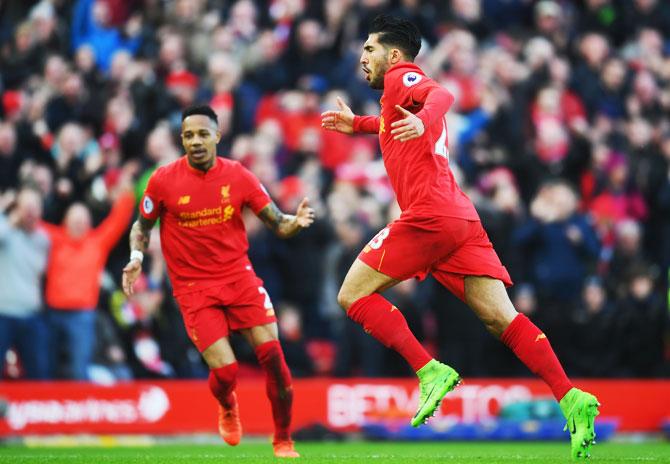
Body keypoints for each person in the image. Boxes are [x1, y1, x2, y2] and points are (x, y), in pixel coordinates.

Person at [321, 15, 599, 460]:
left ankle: (428, 370)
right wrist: (357, 124)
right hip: (460, 220)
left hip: (428, 217)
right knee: (501, 319)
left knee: (351, 296)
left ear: (394, 55)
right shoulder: (396, 101)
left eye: (369, 49)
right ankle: (570, 397)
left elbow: (440, 93)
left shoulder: (400, 77)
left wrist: (426, 118)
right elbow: (393, 124)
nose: (362, 57)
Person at [122, 105, 314, 459]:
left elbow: (276, 222)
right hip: (194, 289)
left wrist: (295, 222)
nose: (195, 141)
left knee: (274, 357)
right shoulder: (163, 180)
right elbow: (142, 226)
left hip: (238, 278)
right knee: (226, 372)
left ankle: (283, 438)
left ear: (217, 136)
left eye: (202, 134)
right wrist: (136, 258)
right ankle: (227, 405)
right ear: (182, 140)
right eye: (188, 135)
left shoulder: (238, 176)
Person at [41, 178, 135, 380]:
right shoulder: (54, 239)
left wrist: (126, 193)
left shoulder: (97, 242)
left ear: (89, 223)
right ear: (65, 221)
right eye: (75, 218)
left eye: (83, 219)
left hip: (82, 316)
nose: (79, 222)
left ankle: (78, 408)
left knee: (78, 369)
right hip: (52, 313)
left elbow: (118, 220)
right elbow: (32, 224)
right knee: (46, 366)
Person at [0, 188, 50, 379]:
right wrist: (9, 216)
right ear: (17, 208)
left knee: (39, 373)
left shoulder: (43, 239)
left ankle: (39, 408)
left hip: (31, 314)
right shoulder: (6, 231)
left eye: (34, 207)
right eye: (25, 207)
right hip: (3, 312)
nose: (30, 212)